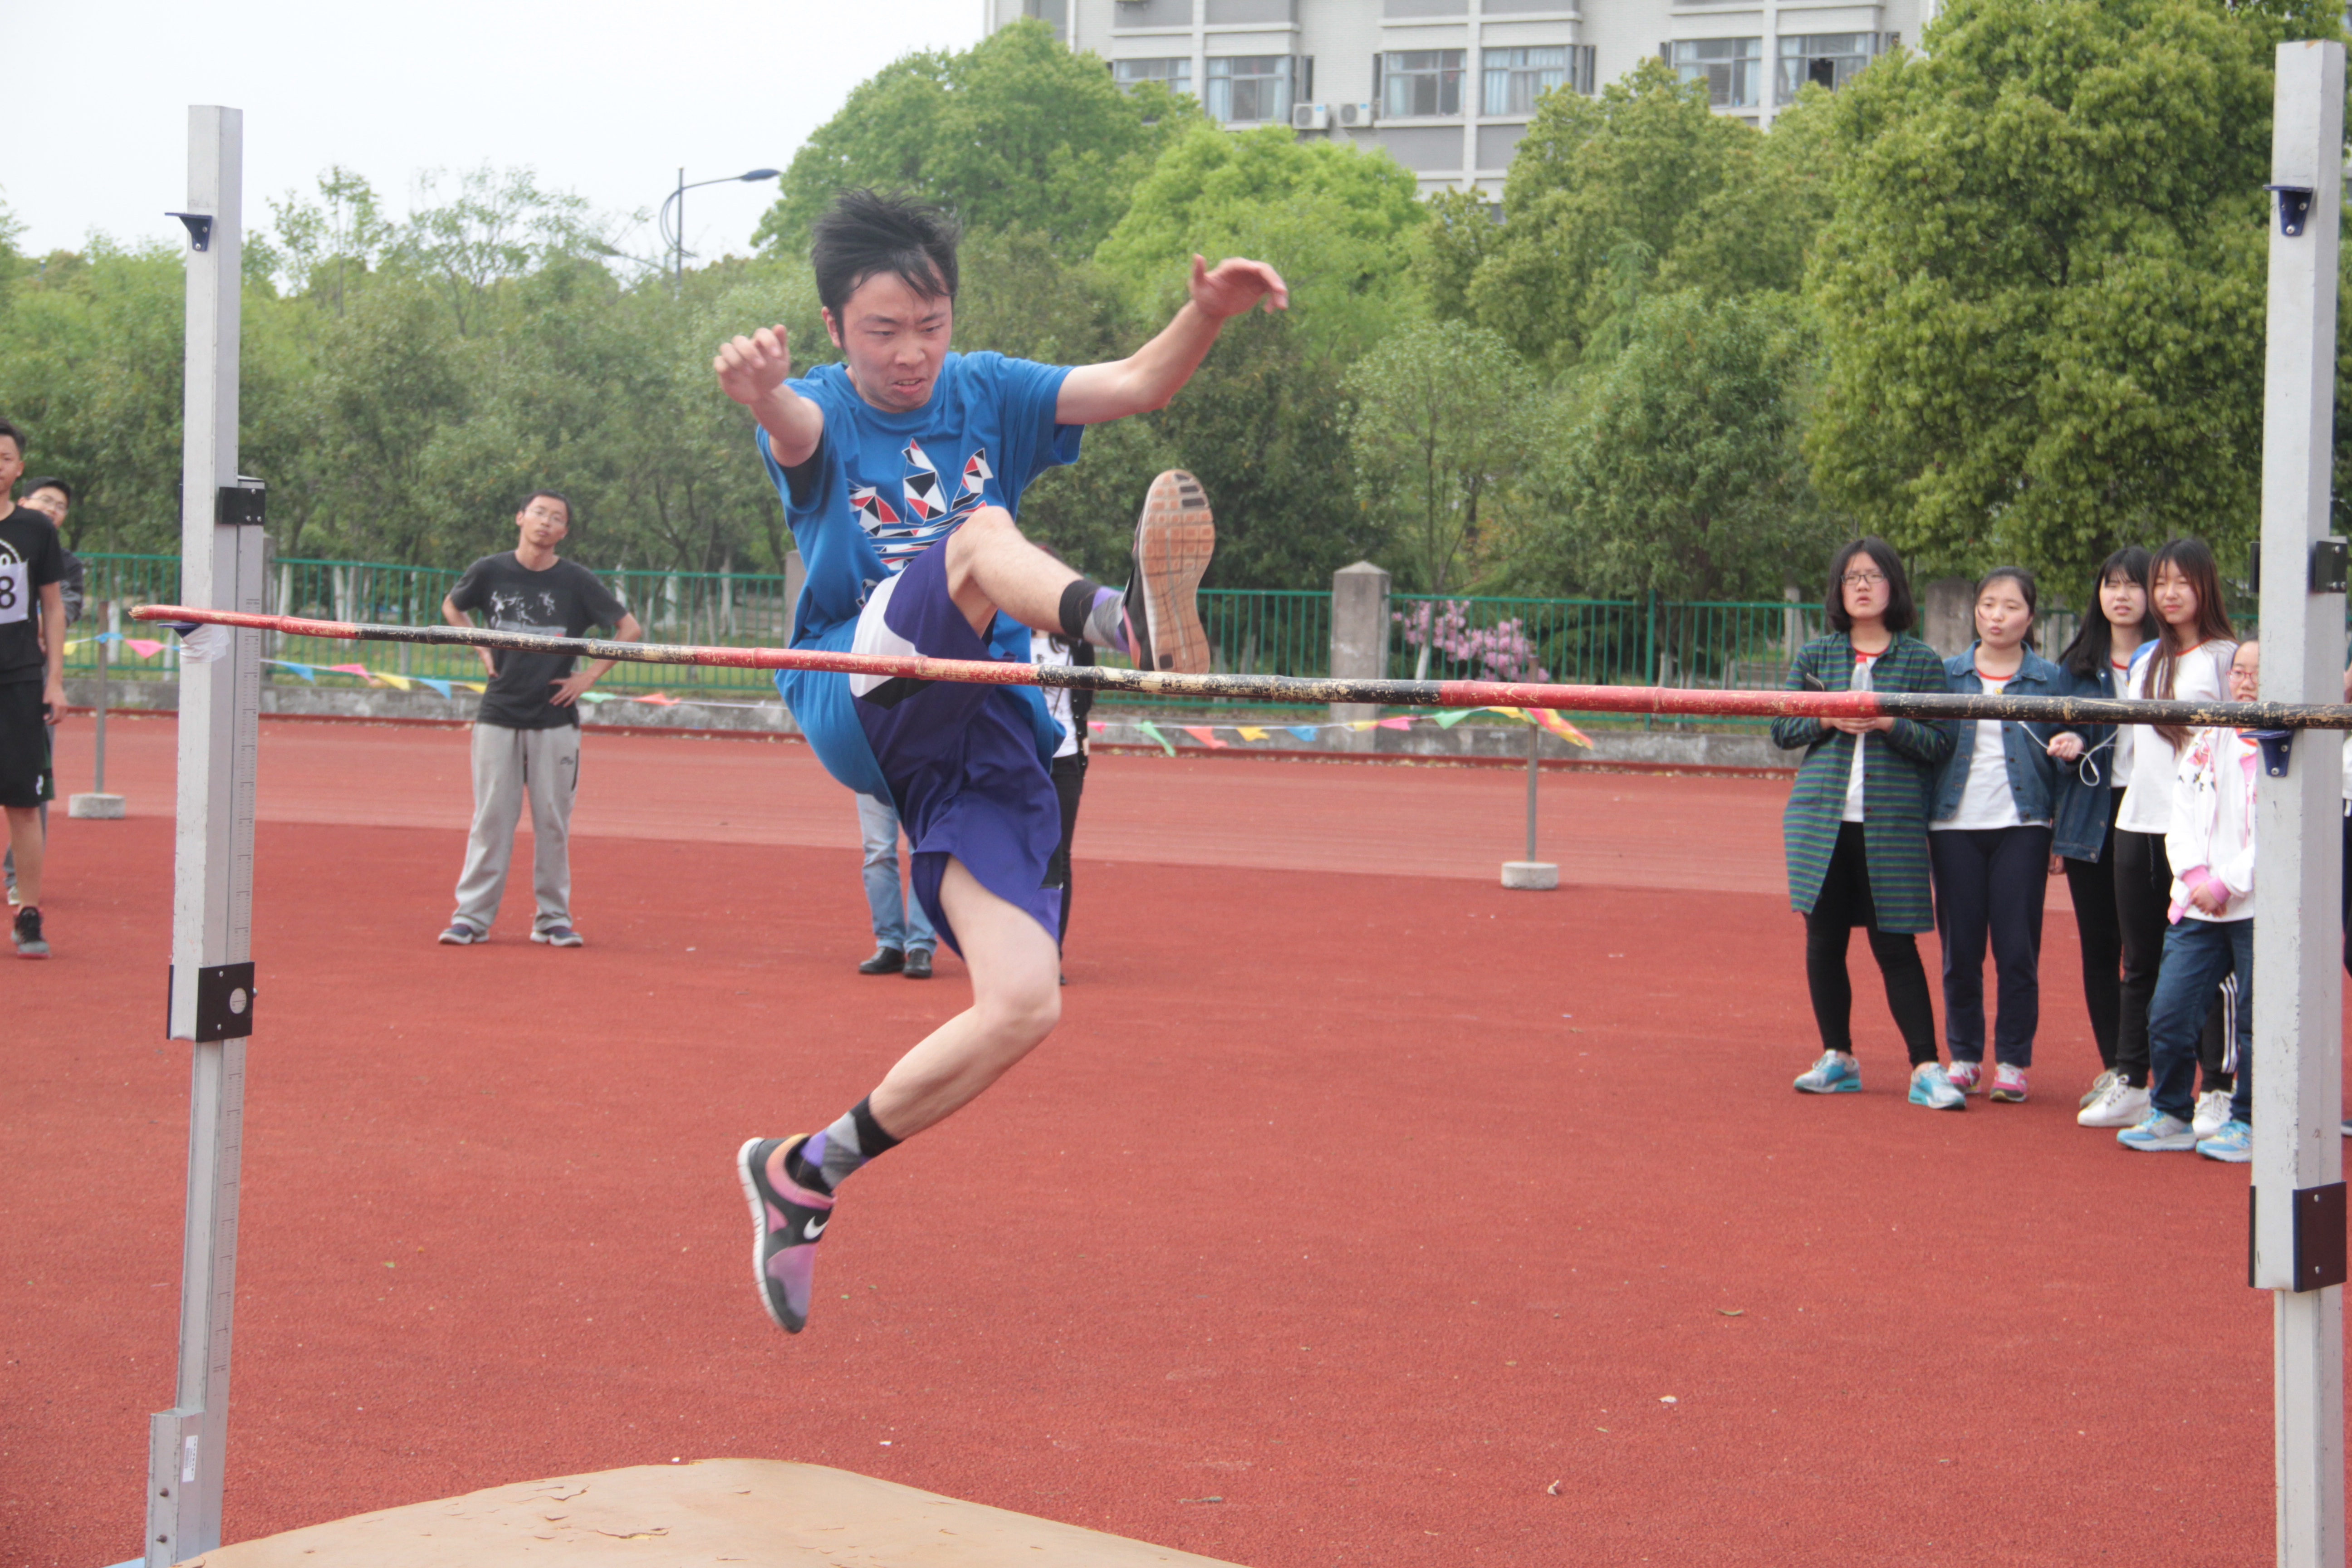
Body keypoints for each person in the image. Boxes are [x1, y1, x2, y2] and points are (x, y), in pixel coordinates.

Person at [720, 188, 1284, 1332]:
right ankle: (1128, 628)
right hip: (859, 681)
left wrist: (1208, 314)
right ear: (837, 327)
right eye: (882, 330)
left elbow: (1136, 384)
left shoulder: (988, 388)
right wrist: (758, 388)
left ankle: (805, 1170)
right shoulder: (823, 407)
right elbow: (791, 427)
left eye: (927, 324)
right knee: (977, 535)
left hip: (978, 726)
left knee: (1026, 1000)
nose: (911, 352)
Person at [1775, 537, 1962, 1110]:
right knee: (1824, 940)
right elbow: (1781, 731)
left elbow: (1941, 742)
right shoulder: (1815, 657)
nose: (1861, 585)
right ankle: (1839, 1057)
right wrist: (1826, 717)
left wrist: (1887, 722)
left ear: (1894, 588)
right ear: (1838, 589)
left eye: (1874, 576)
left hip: (1892, 823)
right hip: (1820, 822)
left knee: (1894, 944)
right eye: (1851, 576)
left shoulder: (1921, 662)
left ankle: (1926, 1067)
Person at [2078, 538, 2239, 1132]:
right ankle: (2133, 1079)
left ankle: (2216, 1086)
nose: (2169, 595)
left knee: (2205, 965)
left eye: (2181, 583)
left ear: (2205, 588)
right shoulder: (2146, 658)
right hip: (2137, 825)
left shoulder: (2224, 657)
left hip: (2198, 835)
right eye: (2162, 583)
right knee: (2138, 961)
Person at [436, 491, 643, 947]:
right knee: (491, 818)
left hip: (555, 718)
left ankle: (553, 919)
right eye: (540, 513)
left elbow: (629, 629)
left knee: (552, 820)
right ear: (521, 518)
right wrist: (478, 643)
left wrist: (589, 675)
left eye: (557, 519)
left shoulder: (577, 581)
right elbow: (453, 605)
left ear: (565, 532)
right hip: (498, 712)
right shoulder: (489, 570)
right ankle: (471, 917)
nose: (546, 523)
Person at [2121, 640, 2261, 1159]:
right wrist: (2198, 876)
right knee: (2169, 1012)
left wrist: (2228, 881)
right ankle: (2172, 1111)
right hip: (2200, 903)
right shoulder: (2207, 737)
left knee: (2255, 1017)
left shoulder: (2287, 742)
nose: (2244, 684)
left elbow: (2279, 829)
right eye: (2239, 673)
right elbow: (2178, 814)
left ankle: (2248, 1118)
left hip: (2253, 904)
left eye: (2257, 674)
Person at [1928, 567, 2064, 1102]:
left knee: (2016, 950)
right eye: (1988, 604)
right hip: (1953, 825)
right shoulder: (1947, 674)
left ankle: (2012, 1061)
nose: (1997, 616)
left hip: (2023, 826)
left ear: (2030, 616)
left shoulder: (2049, 680)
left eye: (2010, 606)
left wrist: (2071, 740)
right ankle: (1963, 1056)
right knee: (1960, 950)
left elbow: (2072, 744)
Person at [2044, 548, 2156, 1109]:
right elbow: (2056, 744)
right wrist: (2069, 744)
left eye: (2133, 586)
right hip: (2094, 814)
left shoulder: (2171, 660)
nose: (2121, 596)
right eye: (2111, 585)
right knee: (2100, 945)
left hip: (2157, 814)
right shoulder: (2078, 665)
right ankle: (2118, 1069)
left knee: (2153, 946)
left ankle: (2160, 1063)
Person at [0, 421, 67, 958]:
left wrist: (55, 681)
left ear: (18, 468)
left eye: (5, 457)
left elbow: (52, 606)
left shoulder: (35, 531)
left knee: (24, 804)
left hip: (18, 678)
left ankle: (28, 913)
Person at [4, 475, 80, 909]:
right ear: (26, 497)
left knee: (28, 795)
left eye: (60, 505)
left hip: (23, 680)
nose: (52, 509)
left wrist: (53, 675)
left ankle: (23, 890)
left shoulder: (59, 558)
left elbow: (63, 606)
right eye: (45, 501)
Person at [1030, 623, 1095, 961]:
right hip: (1021, 760)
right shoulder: (1010, 636)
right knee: (1022, 853)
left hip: (1066, 757)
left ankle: (1051, 951)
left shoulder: (1075, 644)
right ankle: (1020, 948)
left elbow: (1084, 698)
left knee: (1059, 857)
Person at [854, 792, 936, 978]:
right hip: (873, 769)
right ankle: (890, 943)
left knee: (923, 851)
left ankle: (921, 945)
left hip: (924, 768)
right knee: (878, 852)